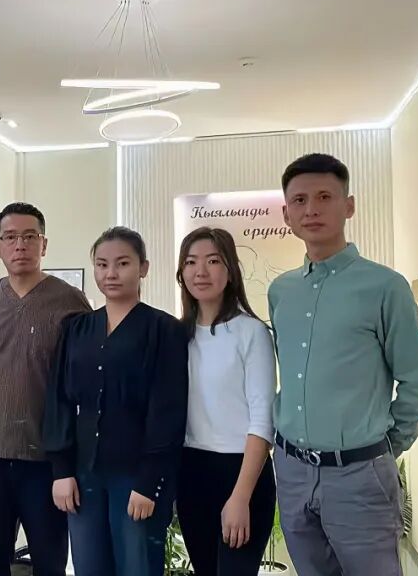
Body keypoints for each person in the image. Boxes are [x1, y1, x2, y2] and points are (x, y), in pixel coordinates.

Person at [270, 153, 418, 576]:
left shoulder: (385, 287)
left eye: (324, 197)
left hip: (358, 474)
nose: (311, 209)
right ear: (286, 214)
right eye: (300, 200)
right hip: (292, 470)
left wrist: (382, 449)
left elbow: (416, 384)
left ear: (349, 206)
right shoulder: (281, 292)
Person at [44, 226, 188, 576]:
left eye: (122, 263)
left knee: (137, 566)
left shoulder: (163, 329)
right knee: (89, 566)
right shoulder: (76, 328)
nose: (110, 273)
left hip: (136, 476)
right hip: (83, 474)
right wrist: (62, 470)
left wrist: (149, 482)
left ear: (143, 268)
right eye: (102, 264)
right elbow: (59, 399)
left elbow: (167, 410)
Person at [0, 202, 91, 576]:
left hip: (47, 459)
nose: (19, 245)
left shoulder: (70, 302)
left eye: (29, 236)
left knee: (49, 560)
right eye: (10, 237)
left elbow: (84, 379)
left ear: (44, 243)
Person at [174, 227, 277, 576]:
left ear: (230, 270)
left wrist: (240, 496)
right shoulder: (178, 335)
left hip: (241, 471)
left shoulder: (251, 332)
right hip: (192, 471)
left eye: (213, 261)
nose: (200, 272)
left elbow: (262, 420)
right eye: (191, 262)